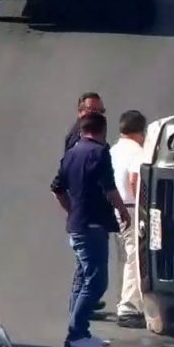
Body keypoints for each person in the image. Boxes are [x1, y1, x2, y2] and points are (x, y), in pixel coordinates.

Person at [51, 111, 131, 347]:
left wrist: (71, 210)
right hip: (93, 225)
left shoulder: (71, 154)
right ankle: (76, 334)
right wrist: (123, 212)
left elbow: (57, 188)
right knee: (96, 282)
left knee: (82, 278)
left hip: (77, 225)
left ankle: (80, 332)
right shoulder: (99, 153)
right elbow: (109, 188)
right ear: (102, 131)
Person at [53, 91, 110, 314]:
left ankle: (81, 308)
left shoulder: (90, 136)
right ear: (80, 112)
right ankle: (79, 315)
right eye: (92, 111)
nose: (97, 115)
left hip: (86, 213)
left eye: (100, 111)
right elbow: (64, 179)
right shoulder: (80, 138)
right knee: (88, 270)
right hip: (87, 215)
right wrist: (74, 209)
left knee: (84, 267)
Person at [109, 110, 147, 327]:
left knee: (124, 257)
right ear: (140, 131)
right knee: (135, 257)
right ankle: (129, 307)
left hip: (114, 208)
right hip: (130, 208)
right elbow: (135, 180)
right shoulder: (137, 151)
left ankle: (122, 299)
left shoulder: (113, 150)